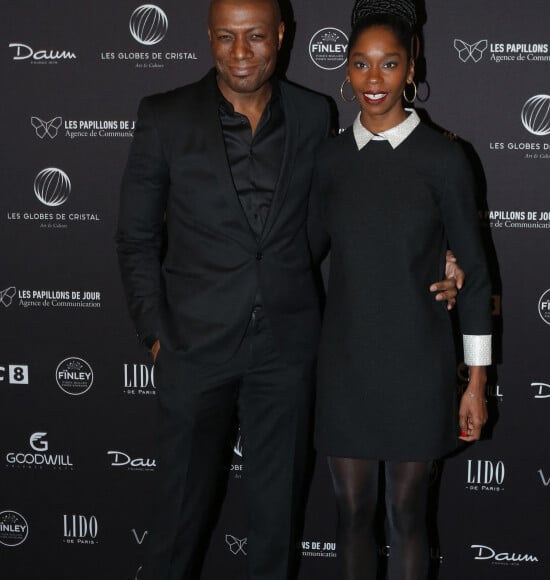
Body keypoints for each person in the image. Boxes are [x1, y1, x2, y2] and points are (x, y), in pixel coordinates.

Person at [116, 0, 463, 578]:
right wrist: (157, 336)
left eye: (254, 35)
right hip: (195, 349)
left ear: (280, 33)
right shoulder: (164, 116)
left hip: (287, 350)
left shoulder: (311, 113)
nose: (241, 52)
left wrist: (439, 255)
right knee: (176, 523)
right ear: (208, 37)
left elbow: (350, 211)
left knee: (276, 525)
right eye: (225, 37)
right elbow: (134, 240)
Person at [311, 1, 492, 579]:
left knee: (407, 514)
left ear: (411, 67)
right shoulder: (330, 158)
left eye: (389, 64)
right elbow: (302, 251)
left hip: (419, 365)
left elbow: (478, 273)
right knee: (351, 513)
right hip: (345, 367)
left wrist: (477, 381)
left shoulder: (445, 159)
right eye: (361, 64)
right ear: (345, 70)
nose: (374, 80)